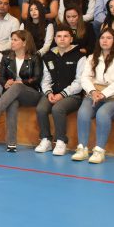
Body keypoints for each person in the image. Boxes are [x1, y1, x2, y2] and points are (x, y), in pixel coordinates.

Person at [72, 28, 114, 163]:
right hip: (94, 94)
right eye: (102, 38)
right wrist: (93, 92)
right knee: (83, 112)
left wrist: (103, 94)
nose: (105, 41)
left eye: (109, 38)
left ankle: (99, 151)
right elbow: (84, 78)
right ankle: (82, 148)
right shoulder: (92, 57)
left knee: (102, 113)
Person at [0, 30, 43, 152]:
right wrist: (6, 83)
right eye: (11, 40)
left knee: (17, 86)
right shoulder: (7, 57)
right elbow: (1, 77)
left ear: (24, 43)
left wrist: (21, 82)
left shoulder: (35, 57)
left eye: (15, 40)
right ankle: (11, 143)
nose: (12, 42)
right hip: (12, 94)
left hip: (31, 93)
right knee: (12, 103)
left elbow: (37, 78)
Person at [35, 24, 86, 156]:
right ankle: (46, 139)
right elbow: (45, 79)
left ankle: (61, 141)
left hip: (73, 95)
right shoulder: (48, 56)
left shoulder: (80, 56)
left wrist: (62, 94)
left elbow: (80, 81)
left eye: (65, 36)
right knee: (41, 109)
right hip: (52, 93)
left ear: (71, 39)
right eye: (59, 36)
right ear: (55, 39)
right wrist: (48, 93)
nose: (62, 39)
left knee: (58, 109)